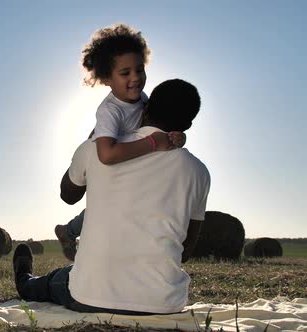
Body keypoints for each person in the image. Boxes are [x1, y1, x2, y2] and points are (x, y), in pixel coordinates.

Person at [14, 79, 210, 315]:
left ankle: (25, 279)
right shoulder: (199, 172)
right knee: (75, 273)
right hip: (163, 304)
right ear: (187, 125)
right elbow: (185, 252)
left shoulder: (96, 149)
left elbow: (67, 195)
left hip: (89, 297)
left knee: (58, 280)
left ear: (145, 109)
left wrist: (96, 135)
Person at [54, 23, 185, 260]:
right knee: (83, 198)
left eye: (139, 69)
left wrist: (177, 136)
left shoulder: (142, 97)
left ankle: (69, 231)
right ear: (106, 78)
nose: (135, 78)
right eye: (125, 73)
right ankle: (69, 231)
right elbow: (105, 154)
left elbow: (158, 122)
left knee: (111, 204)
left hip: (125, 156)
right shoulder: (109, 111)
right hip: (100, 155)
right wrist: (154, 143)